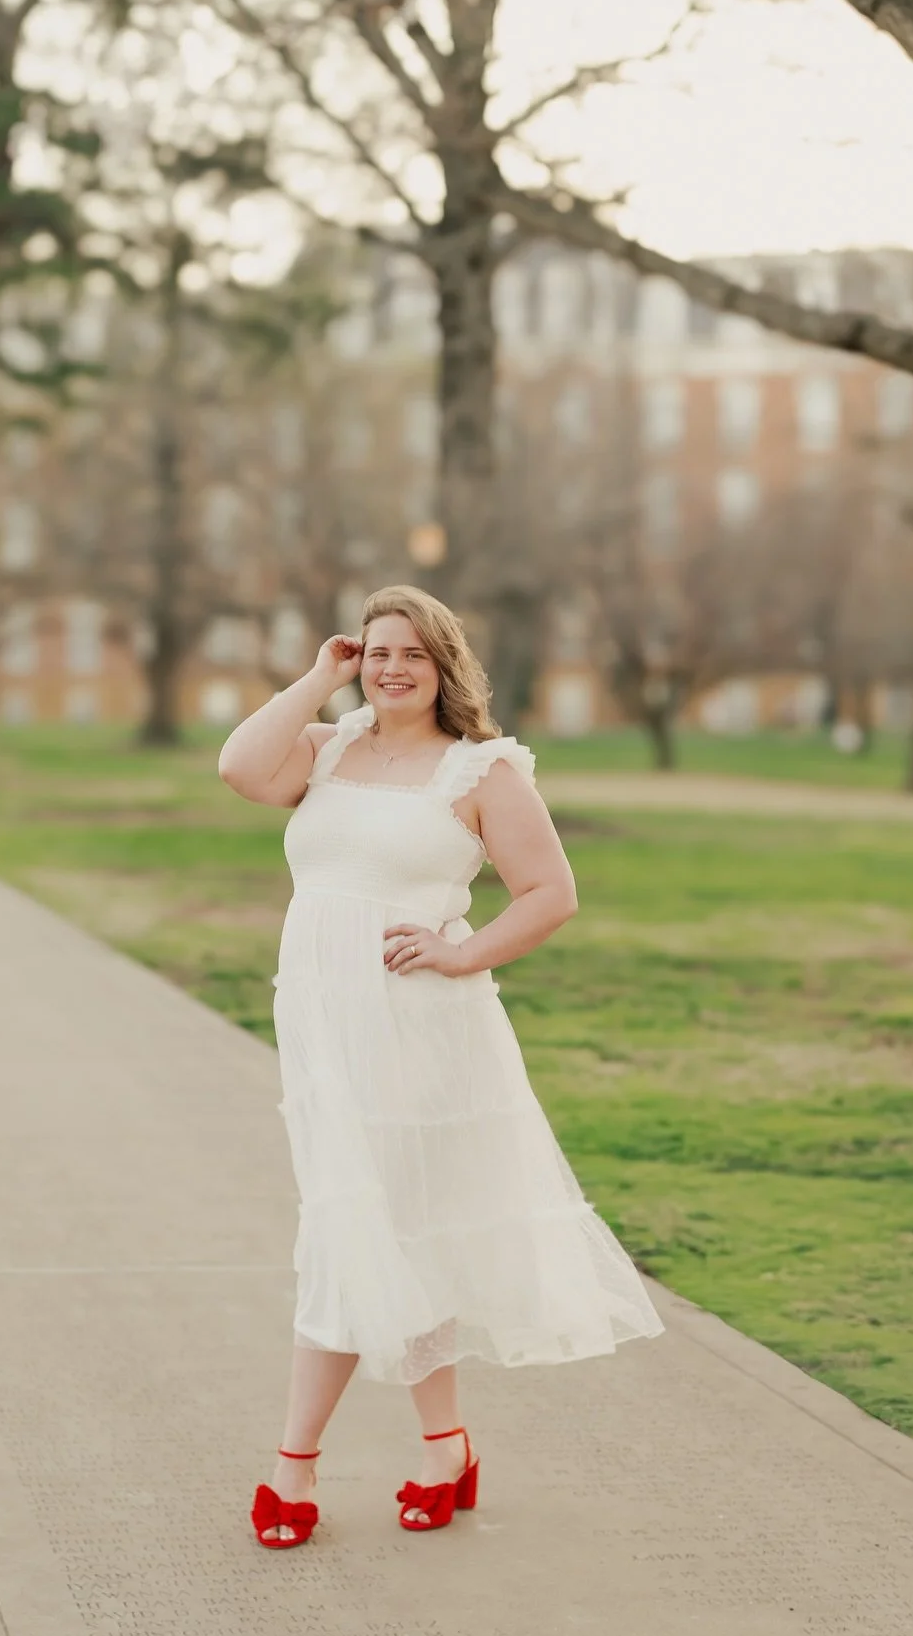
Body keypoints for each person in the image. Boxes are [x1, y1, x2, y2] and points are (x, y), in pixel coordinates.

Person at [218, 584, 663, 1547]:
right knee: (389, 1232)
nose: (391, 670)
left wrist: (461, 951)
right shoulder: (328, 747)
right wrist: (317, 677)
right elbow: (241, 768)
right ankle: (446, 1447)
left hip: (418, 1029)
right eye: (377, 653)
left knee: (353, 1231)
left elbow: (550, 892)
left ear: (444, 665)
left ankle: (293, 1471)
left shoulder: (480, 771)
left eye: (412, 656)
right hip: (323, 1024)